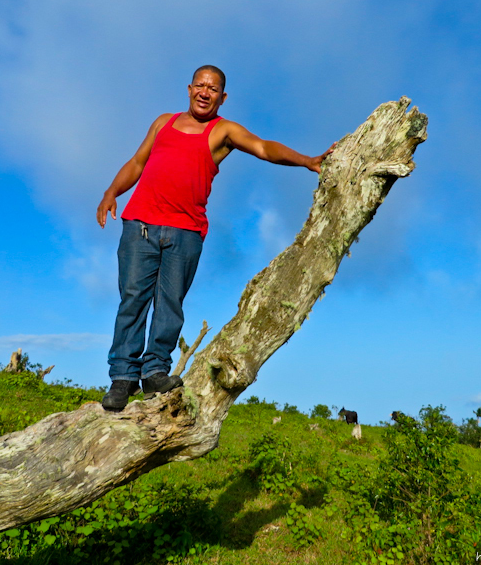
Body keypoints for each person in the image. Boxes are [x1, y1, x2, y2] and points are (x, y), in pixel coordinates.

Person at [97, 65, 331, 410]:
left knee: (169, 304)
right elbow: (137, 162)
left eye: (214, 88)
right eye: (200, 85)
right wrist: (111, 192)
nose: (205, 92)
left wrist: (307, 161)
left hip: (185, 232)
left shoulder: (224, 131)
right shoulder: (163, 122)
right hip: (140, 225)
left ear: (222, 97)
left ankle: (154, 372)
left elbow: (264, 148)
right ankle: (122, 378)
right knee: (132, 300)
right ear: (190, 88)